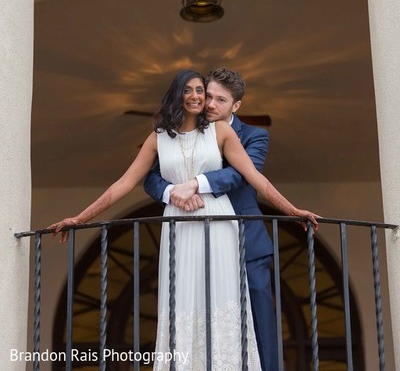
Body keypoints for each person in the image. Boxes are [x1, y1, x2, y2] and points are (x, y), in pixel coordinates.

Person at [50, 69, 318, 371]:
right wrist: (80, 218)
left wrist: (294, 210)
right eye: (190, 91)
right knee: (181, 302)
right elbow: (124, 184)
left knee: (224, 305)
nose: (197, 97)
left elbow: (253, 177)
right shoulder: (157, 138)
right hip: (178, 226)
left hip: (220, 226)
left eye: (201, 92)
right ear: (177, 95)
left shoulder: (222, 133)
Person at [144, 67, 319, 371]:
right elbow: (150, 177)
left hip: (245, 239)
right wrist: (172, 191)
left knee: (259, 318)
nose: (209, 104)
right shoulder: (178, 133)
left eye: (219, 100)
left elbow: (241, 173)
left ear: (235, 106)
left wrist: (197, 182)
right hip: (195, 240)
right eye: (207, 95)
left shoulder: (254, 135)